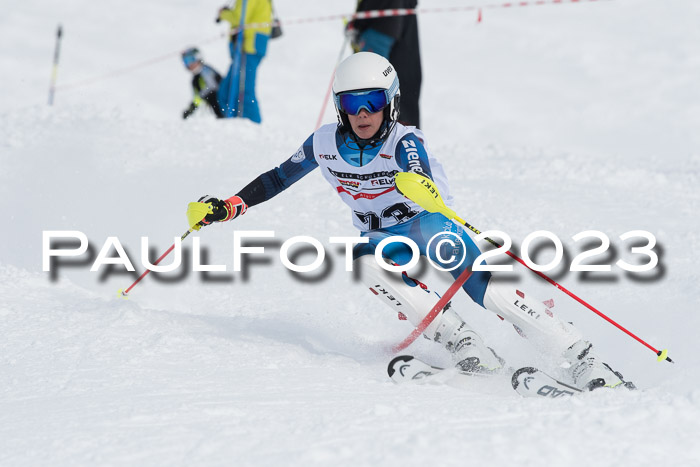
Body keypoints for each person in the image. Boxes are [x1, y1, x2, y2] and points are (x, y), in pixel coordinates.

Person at [188, 52, 631, 391]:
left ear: (390, 102)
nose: (363, 114)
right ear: (341, 107)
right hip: (383, 237)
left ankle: (579, 354)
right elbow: (278, 177)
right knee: (363, 262)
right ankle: (462, 341)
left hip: (429, 224)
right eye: (352, 104)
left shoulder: (405, 140)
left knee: (482, 287)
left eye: (373, 102)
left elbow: (414, 166)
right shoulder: (323, 143)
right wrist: (231, 205)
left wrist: (416, 182)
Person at [347, 0, 422, 129]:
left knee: (370, 85)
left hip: (379, 27)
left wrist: (358, 24)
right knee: (396, 79)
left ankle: (390, 134)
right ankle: (402, 130)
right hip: (396, 20)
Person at [216, 0, 272, 123]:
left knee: (242, 89)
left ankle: (252, 125)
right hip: (249, 47)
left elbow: (240, 18)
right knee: (228, 90)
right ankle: (235, 123)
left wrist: (224, 13)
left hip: (248, 47)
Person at [181, 48, 224, 120]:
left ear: (198, 58)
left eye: (191, 59)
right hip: (216, 106)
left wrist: (201, 95)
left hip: (223, 100)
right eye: (186, 61)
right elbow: (197, 97)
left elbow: (212, 86)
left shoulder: (206, 70)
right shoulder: (195, 79)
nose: (190, 64)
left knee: (211, 95)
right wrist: (192, 108)